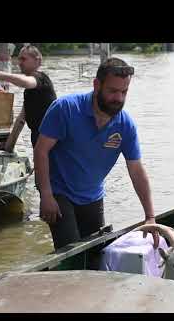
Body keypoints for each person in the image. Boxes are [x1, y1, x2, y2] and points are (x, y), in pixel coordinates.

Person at [34, 57, 159, 251]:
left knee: (96, 254)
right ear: (96, 84)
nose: (118, 98)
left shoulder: (125, 125)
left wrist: (150, 216)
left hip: (92, 195)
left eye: (124, 92)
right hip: (59, 193)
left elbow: (136, 170)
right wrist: (46, 195)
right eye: (112, 91)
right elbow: (41, 150)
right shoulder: (65, 108)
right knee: (71, 253)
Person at [0, 45, 57, 152]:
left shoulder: (41, 79)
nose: (19, 62)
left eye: (24, 59)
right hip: (39, 138)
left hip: (51, 140)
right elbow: (21, 120)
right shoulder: (30, 90)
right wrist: (8, 148)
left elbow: (25, 82)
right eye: (19, 59)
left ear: (38, 61)